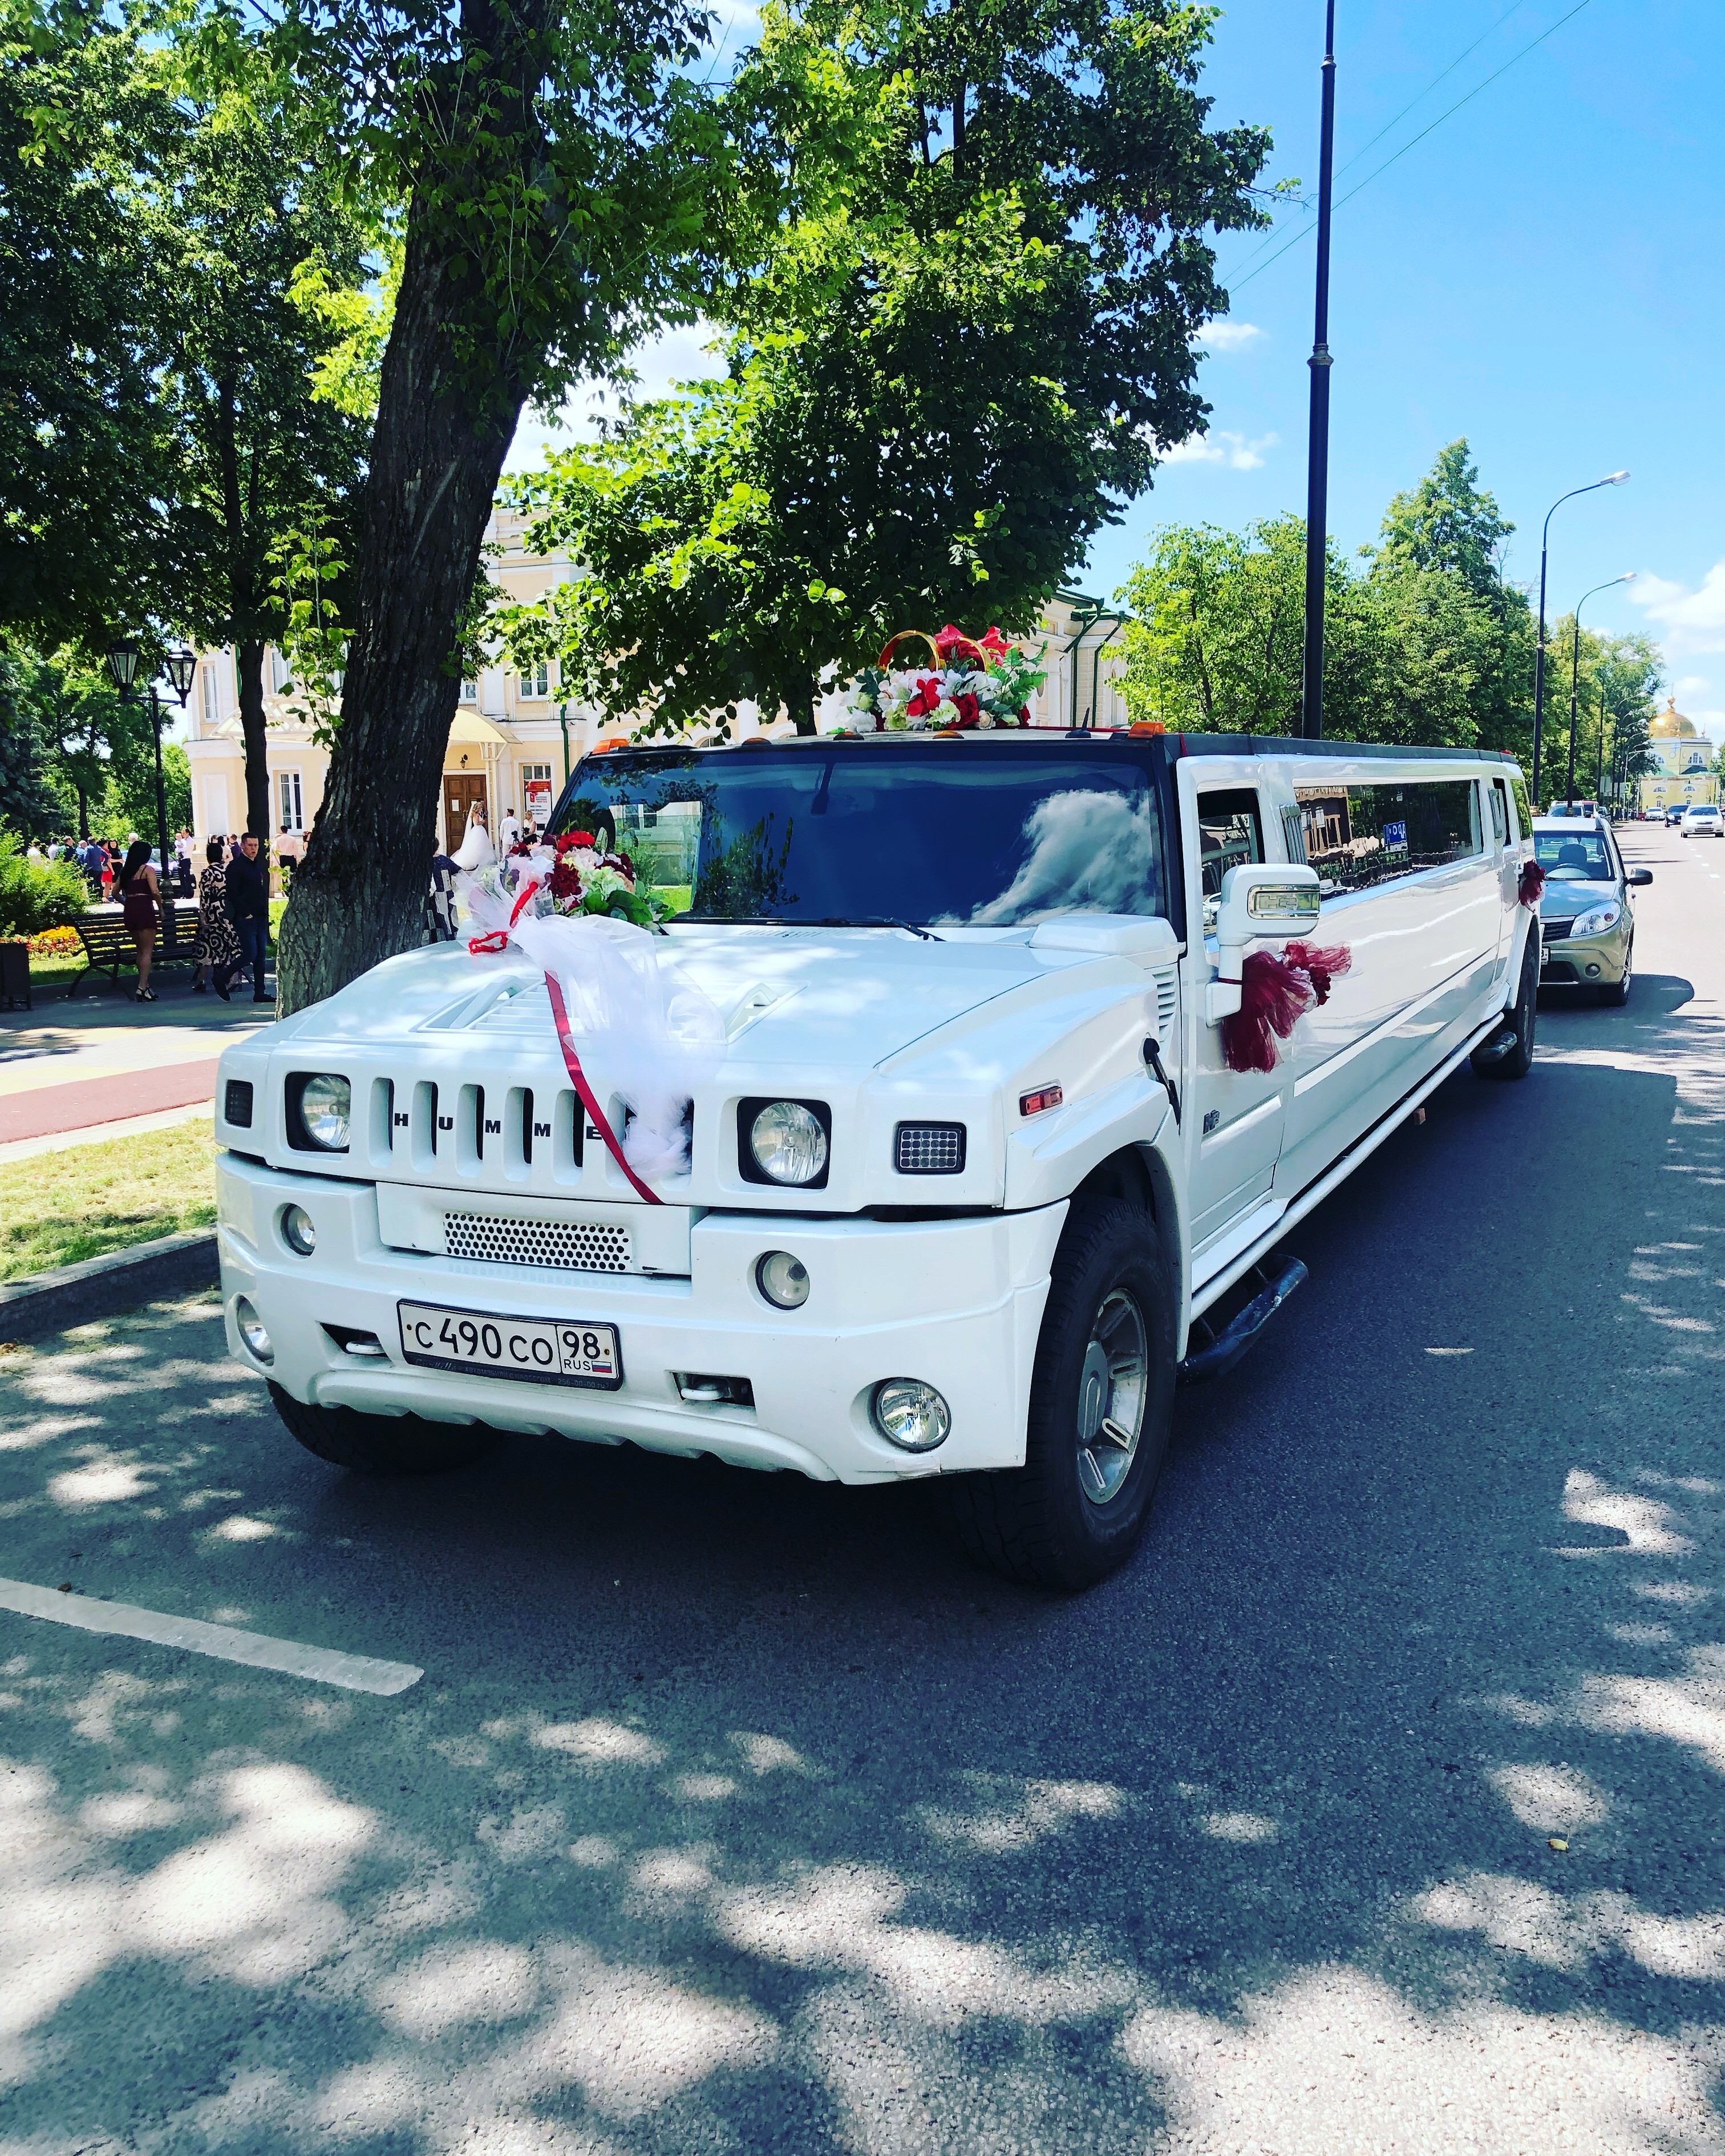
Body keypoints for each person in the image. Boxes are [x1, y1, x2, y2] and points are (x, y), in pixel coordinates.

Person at [224, 830, 272, 1002]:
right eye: (250, 845)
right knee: (250, 953)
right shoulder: (236, 866)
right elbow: (233, 893)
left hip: (259, 916)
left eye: (256, 845)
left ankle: (260, 992)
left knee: (261, 955)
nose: (254, 848)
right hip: (245, 918)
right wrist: (246, 913)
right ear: (243, 845)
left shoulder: (257, 865)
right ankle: (222, 978)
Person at [191, 836, 241, 995]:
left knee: (206, 946)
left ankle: (202, 981)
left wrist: (202, 916)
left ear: (208, 856)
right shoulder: (228, 870)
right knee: (230, 944)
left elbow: (204, 896)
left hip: (213, 913)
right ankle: (235, 979)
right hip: (228, 911)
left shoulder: (208, 872)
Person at [117, 838, 160, 1001]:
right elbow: (155, 891)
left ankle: (146, 987)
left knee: (140, 950)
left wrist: (127, 903)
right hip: (144, 909)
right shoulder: (148, 870)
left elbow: (114, 892)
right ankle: (141, 987)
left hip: (130, 910)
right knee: (147, 951)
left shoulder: (126, 872)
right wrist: (161, 908)